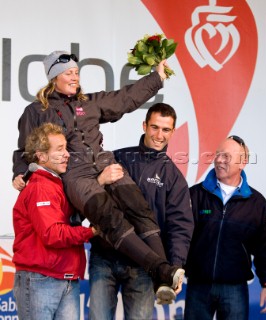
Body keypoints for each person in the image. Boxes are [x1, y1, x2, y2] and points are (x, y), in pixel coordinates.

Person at [12, 50, 184, 301]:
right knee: (110, 218)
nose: (74, 77)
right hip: (76, 174)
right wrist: (19, 172)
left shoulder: (89, 102)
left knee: (139, 208)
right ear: (54, 77)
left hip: (105, 162)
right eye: (68, 73)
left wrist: (156, 78)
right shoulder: (36, 111)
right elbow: (24, 149)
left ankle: (163, 277)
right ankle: (160, 269)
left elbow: (125, 98)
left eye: (76, 72)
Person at [88, 103, 194, 319]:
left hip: (144, 264)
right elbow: (87, 193)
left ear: (173, 132)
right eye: (154, 127)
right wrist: (99, 180)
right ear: (144, 125)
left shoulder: (174, 177)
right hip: (105, 257)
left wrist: (172, 269)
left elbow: (180, 226)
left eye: (166, 130)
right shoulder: (117, 158)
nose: (159, 135)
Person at [12, 122, 96, 320]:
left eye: (66, 148)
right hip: (41, 280)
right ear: (41, 156)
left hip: (65, 278)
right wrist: (91, 232)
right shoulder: (40, 187)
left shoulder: (57, 184)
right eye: (60, 149)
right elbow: (53, 234)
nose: (67, 154)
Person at [184, 135, 266, 320]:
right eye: (217, 155)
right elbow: (181, 237)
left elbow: (265, 247)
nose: (219, 160)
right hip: (198, 285)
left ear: (243, 162)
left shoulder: (257, 203)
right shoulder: (195, 195)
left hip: (235, 288)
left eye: (226, 156)